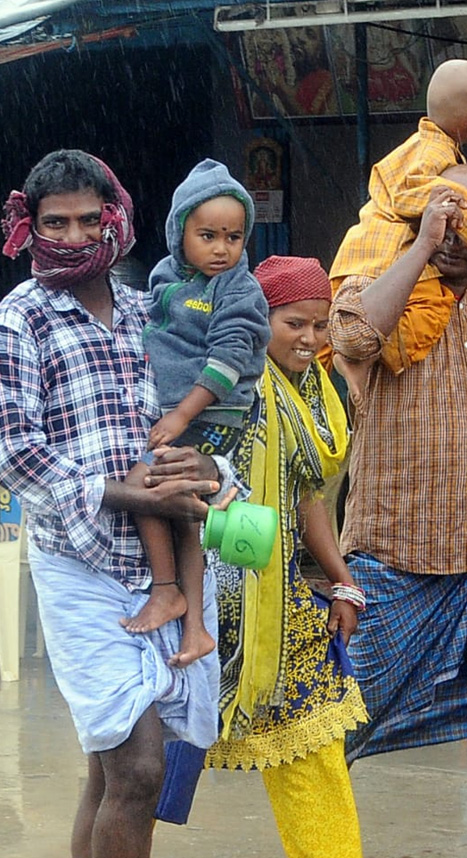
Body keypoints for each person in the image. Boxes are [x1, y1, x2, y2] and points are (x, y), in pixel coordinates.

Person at [0, 149, 230, 858]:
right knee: (137, 767)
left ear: (117, 218)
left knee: (110, 771)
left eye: (87, 220)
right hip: (79, 563)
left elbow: (210, 410)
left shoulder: (151, 308)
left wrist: (207, 474)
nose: (71, 237)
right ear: (29, 228)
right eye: (53, 223)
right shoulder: (20, 317)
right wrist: (128, 496)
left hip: (164, 558)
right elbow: (15, 449)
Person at [329, 163, 467, 858]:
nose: (453, 233)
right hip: (394, 547)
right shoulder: (380, 283)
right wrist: (418, 248)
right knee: (342, 716)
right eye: (440, 216)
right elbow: (351, 339)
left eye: (466, 222)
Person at [204, 255, 368, 858]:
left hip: (281, 597)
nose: (309, 339)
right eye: (293, 323)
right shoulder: (231, 384)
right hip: (214, 599)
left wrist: (342, 580)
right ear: (258, 319)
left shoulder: (310, 391)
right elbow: (197, 490)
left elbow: (310, 500)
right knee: (133, 766)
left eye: (319, 326)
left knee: (315, 751)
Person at [120, 159, 271, 668]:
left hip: (210, 414)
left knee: (142, 488)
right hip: (176, 414)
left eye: (233, 237)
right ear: (178, 232)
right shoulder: (165, 279)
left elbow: (228, 362)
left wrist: (181, 417)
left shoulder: (239, 289)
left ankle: (168, 591)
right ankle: (198, 629)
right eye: (207, 235)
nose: (221, 249)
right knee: (179, 509)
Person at [325, 58, 467, 402]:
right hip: (378, 264)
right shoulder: (433, 153)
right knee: (430, 311)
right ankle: (355, 362)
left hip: (363, 259)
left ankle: (355, 361)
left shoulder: (426, 146)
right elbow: (410, 195)